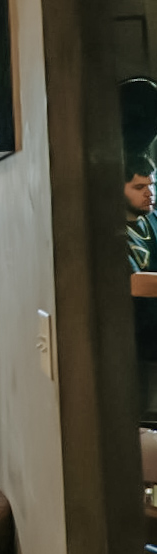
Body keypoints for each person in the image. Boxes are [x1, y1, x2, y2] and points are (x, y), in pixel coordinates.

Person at [125, 156, 157, 419]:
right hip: (138, 342)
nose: (149, 194)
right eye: (139, 188)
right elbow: (135, 284)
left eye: (151, 185)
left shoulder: (151, 220)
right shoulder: (112, 232)